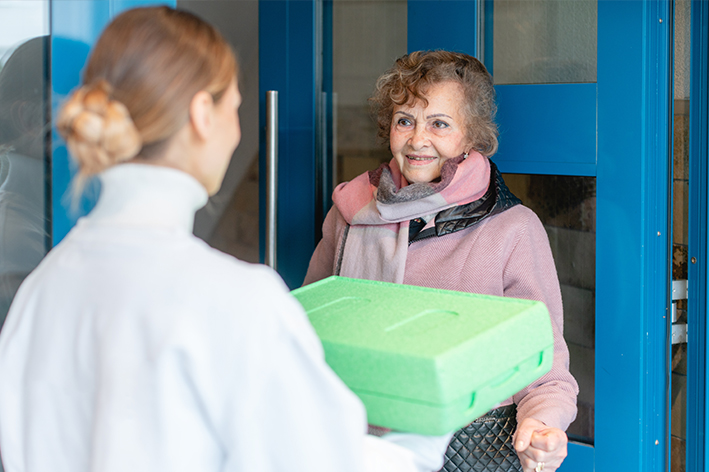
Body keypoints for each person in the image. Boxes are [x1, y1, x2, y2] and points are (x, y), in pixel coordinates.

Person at [0, 8, 452, 472]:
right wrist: (430, 420)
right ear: (202, 115)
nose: (238, 131)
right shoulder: (234, 300)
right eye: (235, 107)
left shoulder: (44, 287)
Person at [303, 51, 579, 472]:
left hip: (468, 450)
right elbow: (310, 332)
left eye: (439, 123)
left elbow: (543, 364)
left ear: (472, 136)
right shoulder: (348, 214)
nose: (417, 139)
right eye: (404, 120)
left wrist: (544, 426)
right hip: (354, 446)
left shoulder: (513, 229)